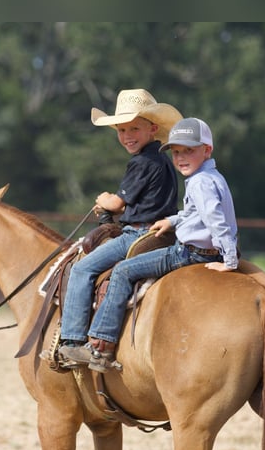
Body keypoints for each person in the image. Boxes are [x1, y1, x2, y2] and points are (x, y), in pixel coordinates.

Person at [65, 117, 239, 373]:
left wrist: (230, 260)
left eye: (188, 151)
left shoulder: (192, 180)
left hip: (188, 253)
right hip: (185, 243)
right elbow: (195, 213)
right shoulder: (210, 176)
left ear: (207, 150)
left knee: (122, 271)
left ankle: (99, 346)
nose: (180, 157)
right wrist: (171, 220)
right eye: (177, 152)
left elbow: (216, 220)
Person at [57, 89, 183, 368]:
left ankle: (74, 341)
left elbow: (116, 202)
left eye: (134, 128)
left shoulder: (141, 162)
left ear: (152, 129)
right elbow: (150, 204)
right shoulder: (163, 160)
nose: (127, 135)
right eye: (121, 129)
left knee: (81, 268)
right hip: (162, 233)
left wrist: (104, 201)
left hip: (138, 234)